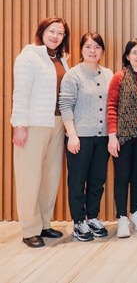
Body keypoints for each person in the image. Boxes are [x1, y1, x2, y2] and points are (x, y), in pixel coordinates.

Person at [11, 17, 71, 248]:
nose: (55, 36)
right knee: (29, 178)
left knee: (50, 177)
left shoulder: (61, 60)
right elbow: (21, 93)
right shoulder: (29, 57)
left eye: (60, 33)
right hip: (34, 124)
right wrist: (20, 126)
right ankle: (30, 229)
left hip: (57, 123)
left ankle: (44, 223)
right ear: (42, 32)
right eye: (51, 31)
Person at [59, 32, 114, 242]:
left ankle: (93, 217)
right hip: (80, 137)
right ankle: (78, 222)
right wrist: (72, 135)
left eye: (97, 47)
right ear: (81, 49)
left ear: (102, 50)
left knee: (98, 180)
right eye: (88, 47)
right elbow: (65, 106)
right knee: (77, 181)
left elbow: (112, 105)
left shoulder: (108, 74)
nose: (93, 51)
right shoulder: (73, 75)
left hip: (103, 137)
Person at [107, 38, 137, 238]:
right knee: (121, 176)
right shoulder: (119, 77)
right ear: (127, 56)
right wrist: (112, 135)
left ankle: (135, 214)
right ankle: (122, 219)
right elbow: (111, 107)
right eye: (134, 52)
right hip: (123, 135)